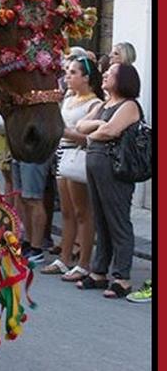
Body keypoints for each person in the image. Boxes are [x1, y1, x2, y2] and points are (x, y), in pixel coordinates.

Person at [75, 63, 142, 298]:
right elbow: (80, 125)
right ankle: (99, 272)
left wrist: (92, 135)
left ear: (123, 79)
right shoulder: (104, 105)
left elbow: (111, 131)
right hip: (96, 166)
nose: (104, 75)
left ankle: (122, 278)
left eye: (111, 73)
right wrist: (97, 125)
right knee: (101, 220)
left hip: (115, 170)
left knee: (117, 220)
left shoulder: (129, 105)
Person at [41, 57, 103, 280]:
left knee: (82, 212)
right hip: (62, 155)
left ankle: (84, 262)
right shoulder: (68, 99)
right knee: (67, 212)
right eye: (67, 71)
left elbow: (87, 136)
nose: (67, 76)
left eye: (73, 72)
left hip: (79, 156)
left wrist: (61, 130)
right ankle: (64, 258)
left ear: (86, 77)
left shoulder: (96, 104)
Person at [12, 155, 55, 264]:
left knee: (34, 199)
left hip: (35, 151)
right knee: (23, 198)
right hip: (19, 150)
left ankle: (36, 248)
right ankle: (28, 242)